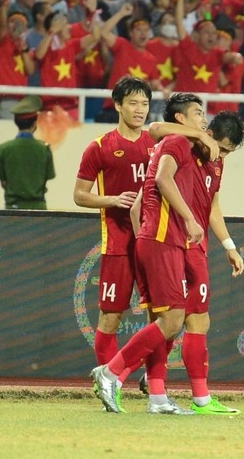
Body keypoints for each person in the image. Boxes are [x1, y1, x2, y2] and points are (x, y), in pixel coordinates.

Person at [90, 96, 217, 414]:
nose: (204, 120)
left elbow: (136, 207)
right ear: (180, 117)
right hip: (163, 242)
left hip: (156, 241)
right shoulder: (176, 142)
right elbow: (161, 179)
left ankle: (157, 398)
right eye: (198, 114)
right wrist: (186, 220)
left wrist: (143, 238)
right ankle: (110, 373)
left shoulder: (175, 146)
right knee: (173, 320)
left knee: (165, 319)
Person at [144, 94, 244, 415]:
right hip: (171, 241)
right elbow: (155, 129)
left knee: (198, 320)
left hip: (196, 247)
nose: (224, 155)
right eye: (223, 147)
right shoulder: (182, 146)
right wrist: (199, 135)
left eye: (230, 151)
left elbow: (213, 206)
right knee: (167, 320)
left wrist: (229, 246)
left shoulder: (217, 163)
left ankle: (199, 397)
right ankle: (131, 380)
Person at [73, 77, 156, 369]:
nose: (140, 109)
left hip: (155, 243)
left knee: (159, 317)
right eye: (133, 103)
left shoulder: (157, 145)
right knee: (110, 317)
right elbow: (80, 196)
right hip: (118, 244)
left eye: (145, 104)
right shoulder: (99, 147)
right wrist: (112, 199)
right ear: (118, 105)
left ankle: (153, 380)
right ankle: (111, 382)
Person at [0, 95, 55, 209]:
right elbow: (46, 178)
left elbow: (3, 182)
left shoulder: (4, 149)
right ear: (35, 123)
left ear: (16, 122)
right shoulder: (44, 149)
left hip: (13, 208)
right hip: (39, 209)